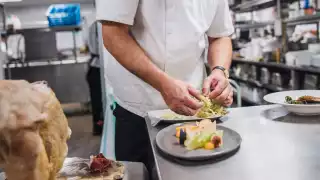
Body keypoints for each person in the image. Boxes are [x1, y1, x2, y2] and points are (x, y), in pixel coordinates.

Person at [96, 0, 234, 177]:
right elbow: (113, 34)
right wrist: (163, 83)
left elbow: (220, 36)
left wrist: (220, 70)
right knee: (139, 174)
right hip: (138, 106)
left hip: (193, 108)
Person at [85, 22, 104, 135]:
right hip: (98, 67)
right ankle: (99, 127)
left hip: (94, 67)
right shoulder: (99, 25)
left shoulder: (93, 25)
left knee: (97, 102)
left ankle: (98, 127)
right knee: (98, 103)